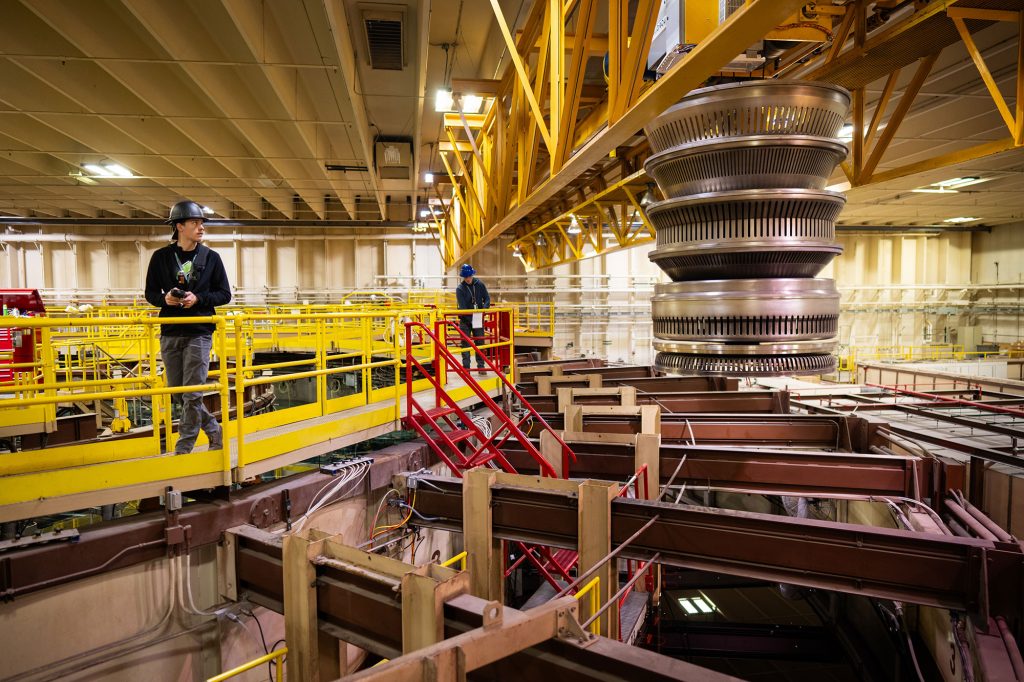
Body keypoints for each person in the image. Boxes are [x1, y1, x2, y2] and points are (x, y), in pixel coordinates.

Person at [145, 200, 231, 454]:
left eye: (201, 223)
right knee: (178, 392)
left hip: (199, 332)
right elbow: (150, 293)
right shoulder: (160, 258)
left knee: (193, 393)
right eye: (195, 222)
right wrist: (165, 299)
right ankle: (214, 429)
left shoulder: (211, 258)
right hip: (171, 330)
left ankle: (184, 448)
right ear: (179, 226)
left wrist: (199, 299)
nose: (200, 227)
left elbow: (224, 294)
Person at [455, 263, 490, 370]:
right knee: (465, 344)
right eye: (465, 277)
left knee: (480, 342)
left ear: (472, 275)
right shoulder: (460, 289)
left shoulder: (480, 284)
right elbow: (463, 307)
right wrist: (472, 318)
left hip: (478, 318)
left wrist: (483, 310)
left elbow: (487, 299)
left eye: (469, 276)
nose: (468, 279)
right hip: (465, 320)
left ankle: (481, 367)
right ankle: (466, 369)